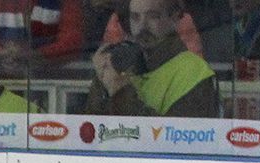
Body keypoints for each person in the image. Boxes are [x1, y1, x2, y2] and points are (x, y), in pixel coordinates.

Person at [85, 0, 217, 116]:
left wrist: (119, 90)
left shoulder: (194, 72)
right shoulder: (120, 65)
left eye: (153, 16)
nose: (142, 26)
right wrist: (101, 85)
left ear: (175, 18)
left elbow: (170, 140)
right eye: (135, 17)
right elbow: (91, 130)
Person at [0, 0, 85, 75]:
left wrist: (37, 55)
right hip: (0, 79)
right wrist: (1, 52)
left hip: (52, 80)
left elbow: (73, 42)